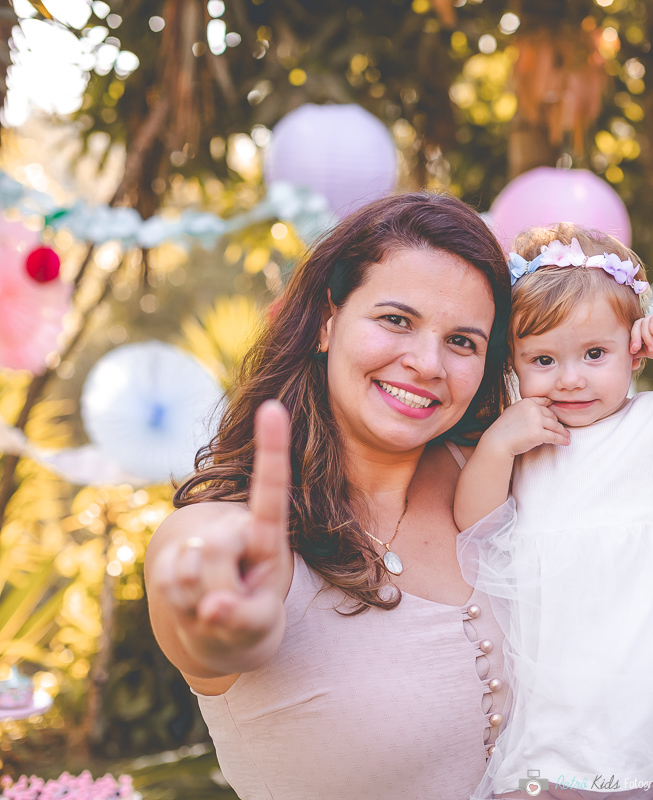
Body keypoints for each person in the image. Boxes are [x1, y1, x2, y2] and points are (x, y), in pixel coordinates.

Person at [144, 193, 515, 800]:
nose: (426, 363)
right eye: (396, 320)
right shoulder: (233, 530)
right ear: (325, 322)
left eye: (463, 342)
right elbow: (197, 590)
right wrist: (223, 623)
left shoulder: (498, 479)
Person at [453, 225, 653, 798]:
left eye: (594, 353)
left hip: (642, 681)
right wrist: (498, 446)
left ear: (633, 355)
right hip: (556, 684)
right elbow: (472, 522)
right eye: (543, 359)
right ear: (513, 362)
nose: (571, 378)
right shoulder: (531, 440)